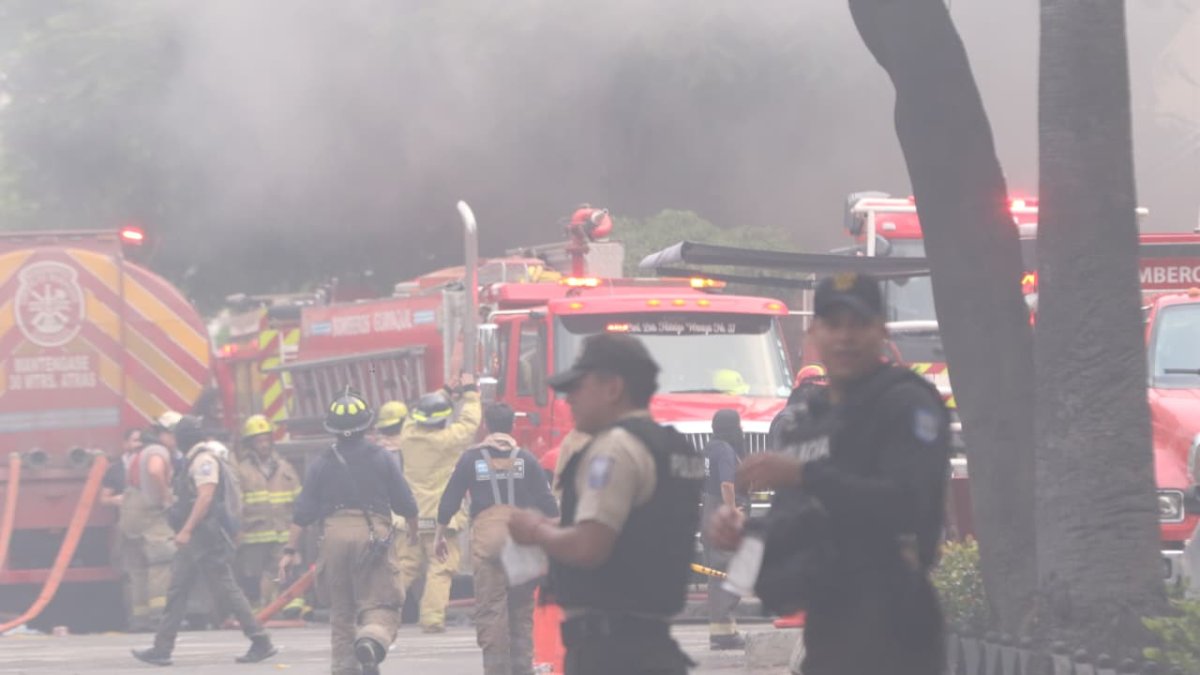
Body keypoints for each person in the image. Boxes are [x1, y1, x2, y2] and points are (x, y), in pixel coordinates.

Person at [709, 272, 951, 675]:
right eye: (833, 324)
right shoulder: (809, 419)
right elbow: (790, 529)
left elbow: (910, 505)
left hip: (894, 632)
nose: (845, 337)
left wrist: (807, 475)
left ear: (881, 331)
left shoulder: (905, 404)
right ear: (814, 333)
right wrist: (742, 537)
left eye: (858, 324)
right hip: (828, 632)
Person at [509, 334, 704, 675]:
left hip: (610, 652)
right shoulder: (671, 448)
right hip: (654, 645)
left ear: (613, 388)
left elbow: (590, 546)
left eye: (578, 387)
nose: (569, 399)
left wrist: (536, 531)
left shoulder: (615, 448)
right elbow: (633, 532)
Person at [279, 390, 420, 675]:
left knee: (341, 611)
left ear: (332, 428)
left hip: (333, 538)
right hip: (372, 536)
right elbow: (406, 504)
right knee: (382, 602)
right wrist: (414, 534)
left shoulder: (321, 462)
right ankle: (370, 640)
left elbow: (302, 512)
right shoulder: (382, 458)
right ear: (367, 425)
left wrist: (289, 551)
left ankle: (345, 667)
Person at [133, 415, 277, 666]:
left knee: (225, 589)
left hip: (205, 538)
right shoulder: (194, 459)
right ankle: (162, 648)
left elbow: (205, 497)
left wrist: (187, 530)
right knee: (179, 590)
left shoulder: (203, 461)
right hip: (197, 539)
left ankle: (260, 640)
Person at [434, 403, 559, 675]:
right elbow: (548, 503)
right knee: (521, 612)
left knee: (492, 612)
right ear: (512, 425)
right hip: (522, 544)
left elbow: (449, 500)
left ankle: (496, 670)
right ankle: (522, 669)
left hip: (488, 542)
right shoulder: (527, 459)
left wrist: (439, 536)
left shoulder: (470, 459)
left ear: (486, 426)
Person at [396, 375, 482, 633]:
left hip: (410, 517)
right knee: (440, 569)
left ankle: (382, 611)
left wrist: (444, 392)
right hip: (439, 520)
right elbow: (469, 423)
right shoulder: (447, 441)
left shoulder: (407, 436)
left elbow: (413, 416)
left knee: (404, 567)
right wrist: (470, 394)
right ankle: (432, 619)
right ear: (442, 420)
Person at [119, 412, 181, 631]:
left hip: (130, 514)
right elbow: (155, 471)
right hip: (151, 515)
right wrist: (166, 497)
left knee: (138, 569)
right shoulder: (157, 451)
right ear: (165, 433)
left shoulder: (138, 453)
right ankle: (159, 616)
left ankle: (140, 619)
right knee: (160, 564)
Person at [234, 414, 302, 610]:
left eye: (266, 440)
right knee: (252, 576)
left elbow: (299, 499)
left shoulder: (285, 468)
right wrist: (238, 532)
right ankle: (255, 610)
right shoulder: (241, 471)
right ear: (250, 443)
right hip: (254, 534)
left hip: (282, 532)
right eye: (259, 441)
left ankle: (288, 607)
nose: (264, 445)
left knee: (284, 570)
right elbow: (236, 504)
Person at [701, 409, 746, 650]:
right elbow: (727, 484)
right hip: (721, 511)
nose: (741, 430)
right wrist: (732, 511)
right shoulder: (726, 450)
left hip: (709, 510)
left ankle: (723, 631)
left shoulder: (710, 447)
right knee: (727, 573)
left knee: (717, 575)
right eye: (738, 425)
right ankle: (723, 635)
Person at [101, 428, 144, 508]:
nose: (140, 444)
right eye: (136, 440)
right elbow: (104, 499)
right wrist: (113, 500)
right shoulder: (114, 470)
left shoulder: (152, 465)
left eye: (142, 441)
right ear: (125, 444)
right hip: (126, 514)